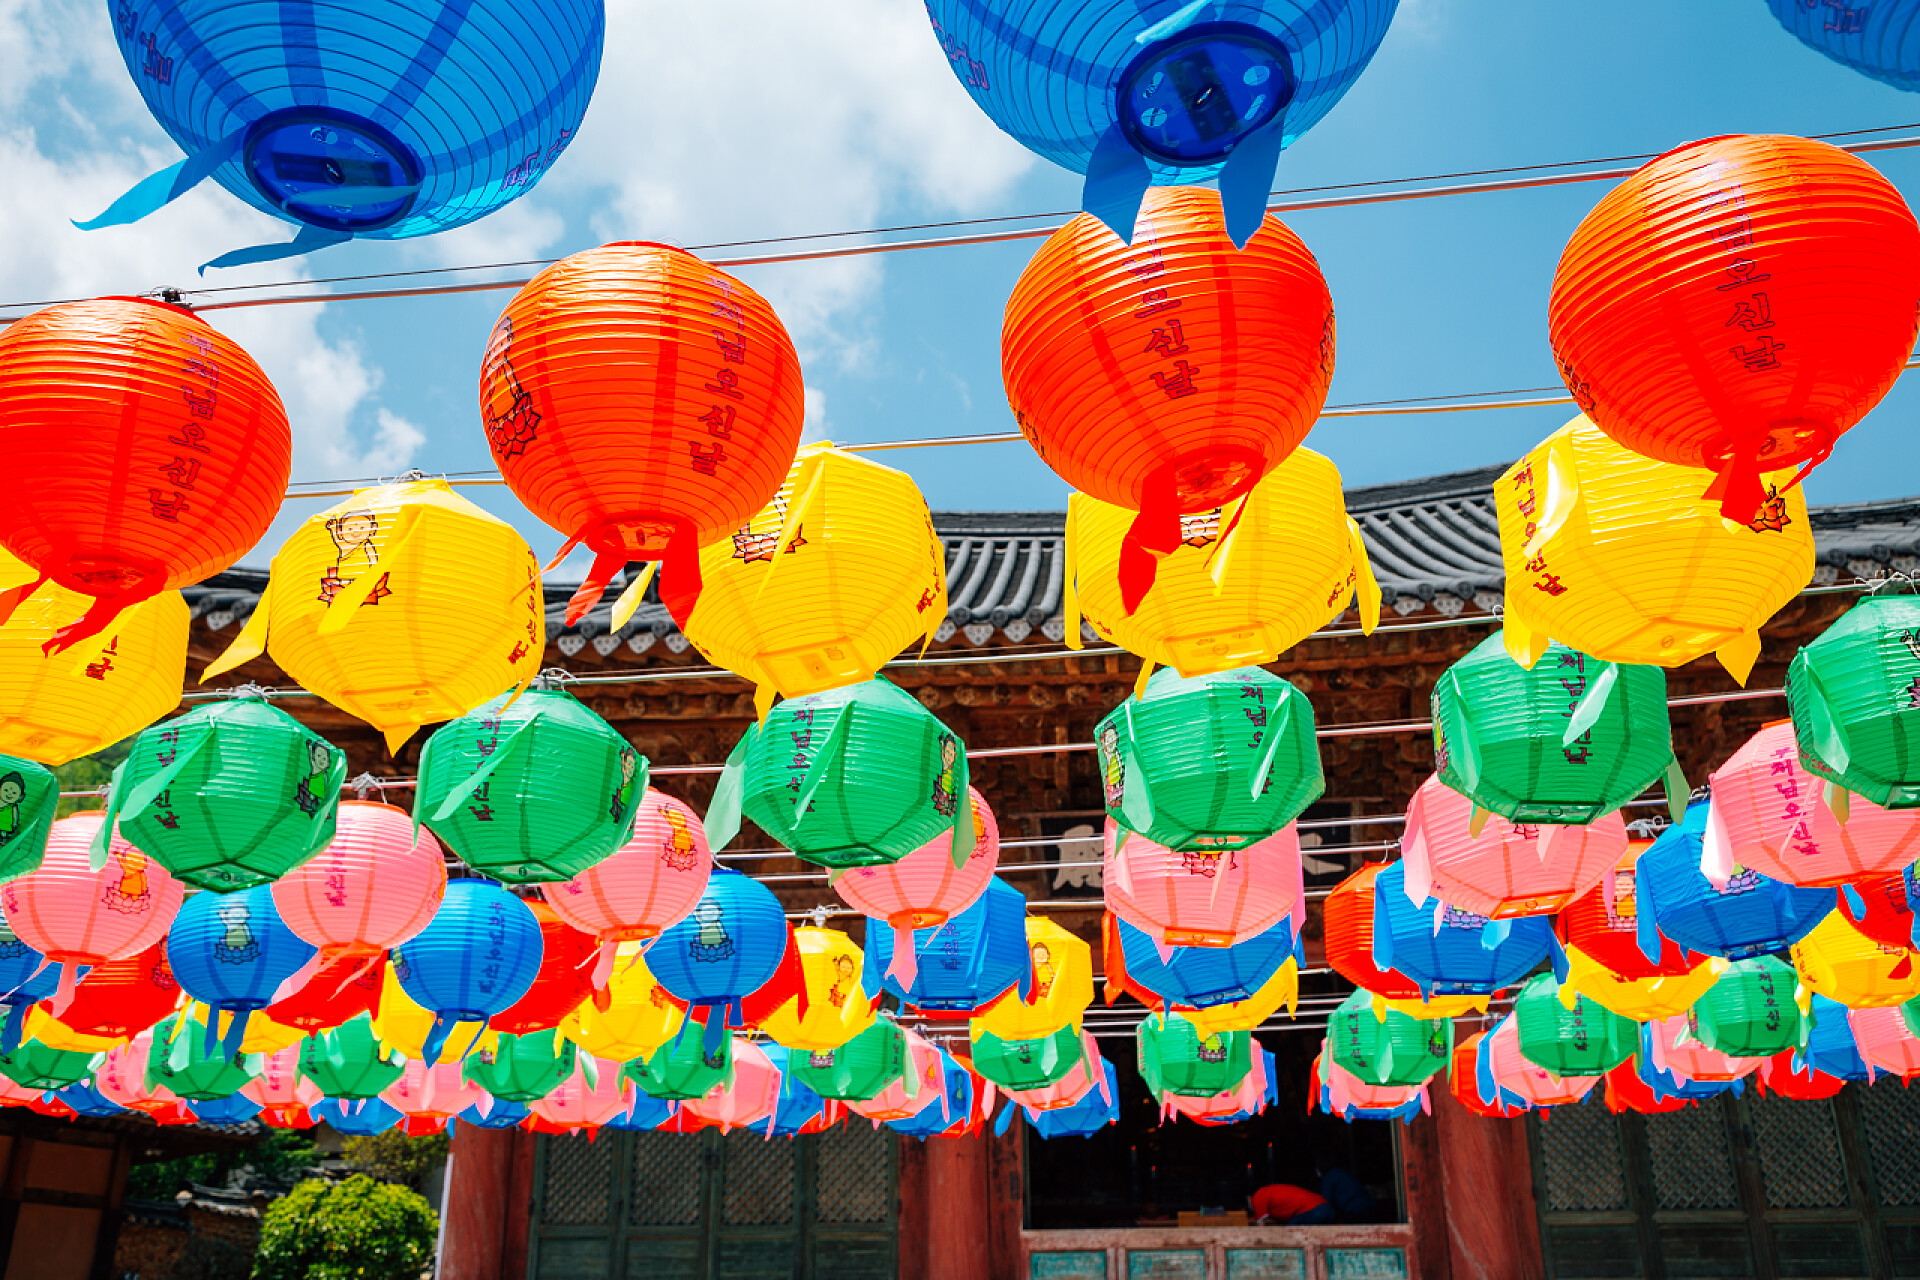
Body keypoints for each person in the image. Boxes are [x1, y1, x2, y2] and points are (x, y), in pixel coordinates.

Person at [1248, 1182, 1332, 1225]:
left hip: (1312, 1210)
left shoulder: (1258, 1195)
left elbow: (1261, 1226)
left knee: (1288, 1236)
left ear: (1248, 1197)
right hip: (1326, 1208)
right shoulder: (1271, 1192)